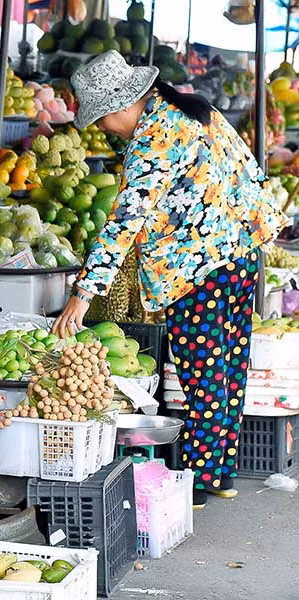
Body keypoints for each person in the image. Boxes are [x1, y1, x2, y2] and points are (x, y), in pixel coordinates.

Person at [51, 51, 287, 508]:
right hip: (240, 256)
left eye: (103, 120)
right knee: (228, 366)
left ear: (121, 105)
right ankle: (219, 472)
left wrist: (84, 293)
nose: (106, 129)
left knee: (203, 376)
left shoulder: (153, 137)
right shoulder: (195, 111)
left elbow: (125, 222)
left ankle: (197, 481)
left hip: (198, 269)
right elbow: (250, 176)